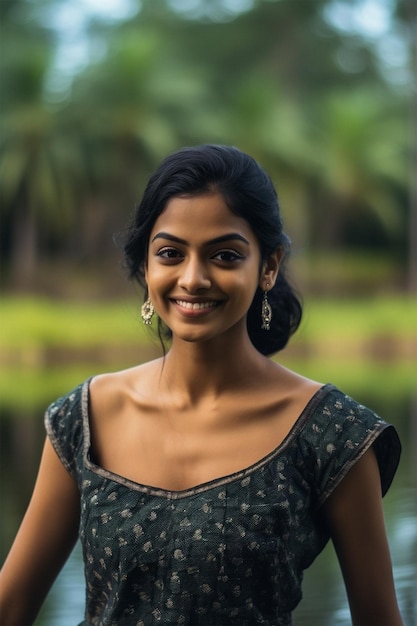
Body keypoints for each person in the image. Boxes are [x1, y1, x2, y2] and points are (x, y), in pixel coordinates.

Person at [0, 145, 403, 625]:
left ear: (269, 266)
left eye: (225, 255)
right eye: (170, 253)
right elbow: (11, 607)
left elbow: (379, 617)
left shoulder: (332, 434)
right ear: (147, 265)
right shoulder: (84, 418)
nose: (193, 278)